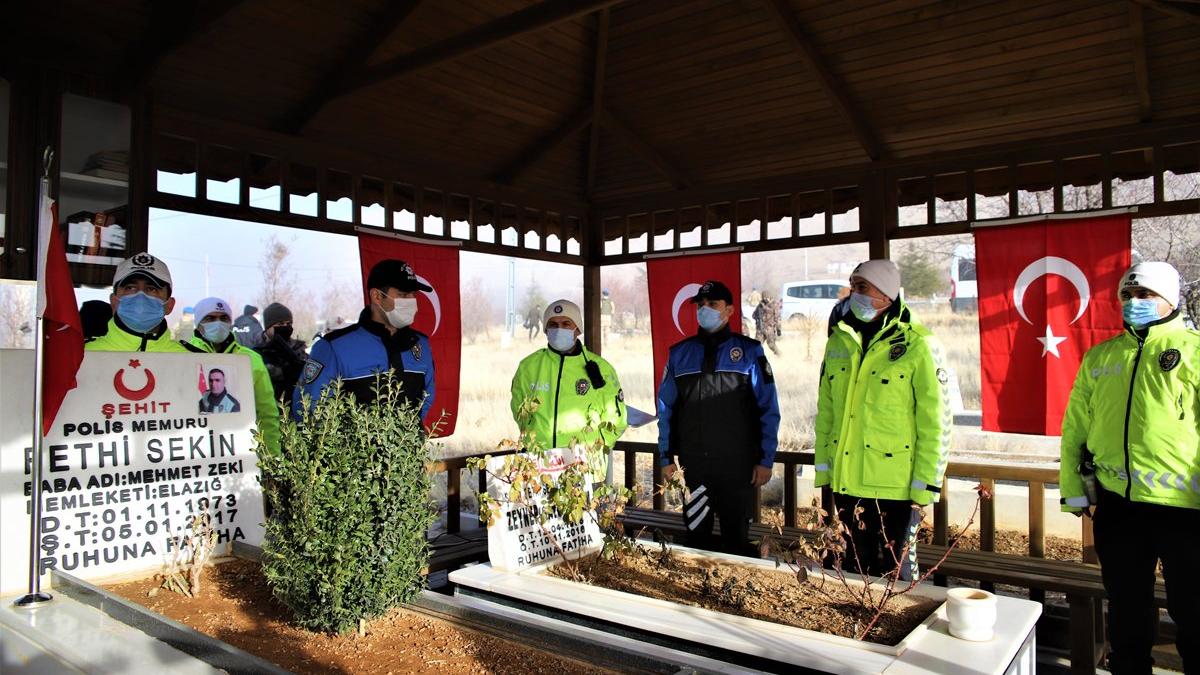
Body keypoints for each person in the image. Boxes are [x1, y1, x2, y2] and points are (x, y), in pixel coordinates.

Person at [1060, 261, 1199, 675]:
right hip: (1119, 508)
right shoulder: (1101, 356)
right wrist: (1074, 490)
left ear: (1169, 299)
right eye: (1127, 295)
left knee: (1194, 614)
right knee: (1126, 612)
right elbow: (1075, 428)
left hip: (1185, 510)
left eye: (1145, 295)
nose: (1133, 302)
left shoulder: (1194, 352)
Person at [814, 259, 950, 580]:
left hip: (898, 490)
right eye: (852, 287)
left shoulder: (919, 344)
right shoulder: (839, 340)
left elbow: (936, 422)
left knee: (897, 576)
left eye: (862, 287)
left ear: (886, 293)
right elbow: (827, 414)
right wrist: (825, 471)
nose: (853, 295)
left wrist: (926, 486)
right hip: (848, 483)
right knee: (853, 572)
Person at [657, 280, 780, 556]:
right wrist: (665, 457)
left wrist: (765, 459)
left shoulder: (750, 352)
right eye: (701, 305)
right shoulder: (680, 353)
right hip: (694, 466)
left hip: (737, 467)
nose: (705, 310)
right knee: (696, 538)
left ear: (730, 310)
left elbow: (768, 408)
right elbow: (665, 407)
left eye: (713, 304)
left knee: (735, 541)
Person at [294, 259, 435, 419]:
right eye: (402, 294)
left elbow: (426, 401)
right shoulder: (334, 347)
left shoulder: (420, 344)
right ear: (377, 296)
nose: (411, 301)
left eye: (413, 295)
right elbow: (307, 408)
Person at [510, 300, 628, 480]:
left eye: (566, 324)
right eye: (553, 324)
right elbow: (520, 411)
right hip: (539, 468)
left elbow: (616, 418)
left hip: (585, 469)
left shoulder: (601, 368)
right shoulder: (529, 367)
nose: (559, 329)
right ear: (545, 330)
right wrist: (534, 439)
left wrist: (596, 447)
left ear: (577, 329)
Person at [183, 297, 280, 455]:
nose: (218, 323)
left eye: (224, 318)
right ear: (198, 323)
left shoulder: (251, 359)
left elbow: (267, 412)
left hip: (241, 453)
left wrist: (273, 456)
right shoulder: (182, 356)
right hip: (197, 452)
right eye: (210, 318)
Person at [87, 252, 188, 353]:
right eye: (130, 288)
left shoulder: (190, 358)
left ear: (169, 305)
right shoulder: (83, 354)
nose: (140, 296)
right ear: (114, 302)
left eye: (152, 289)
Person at [255, 302, 309, 407]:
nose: (285, 327)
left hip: (296, 406)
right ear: (268, 327)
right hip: (270, 407)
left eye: (289, 324)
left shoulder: (298, 348)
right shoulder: (257, 352)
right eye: (280, 324)